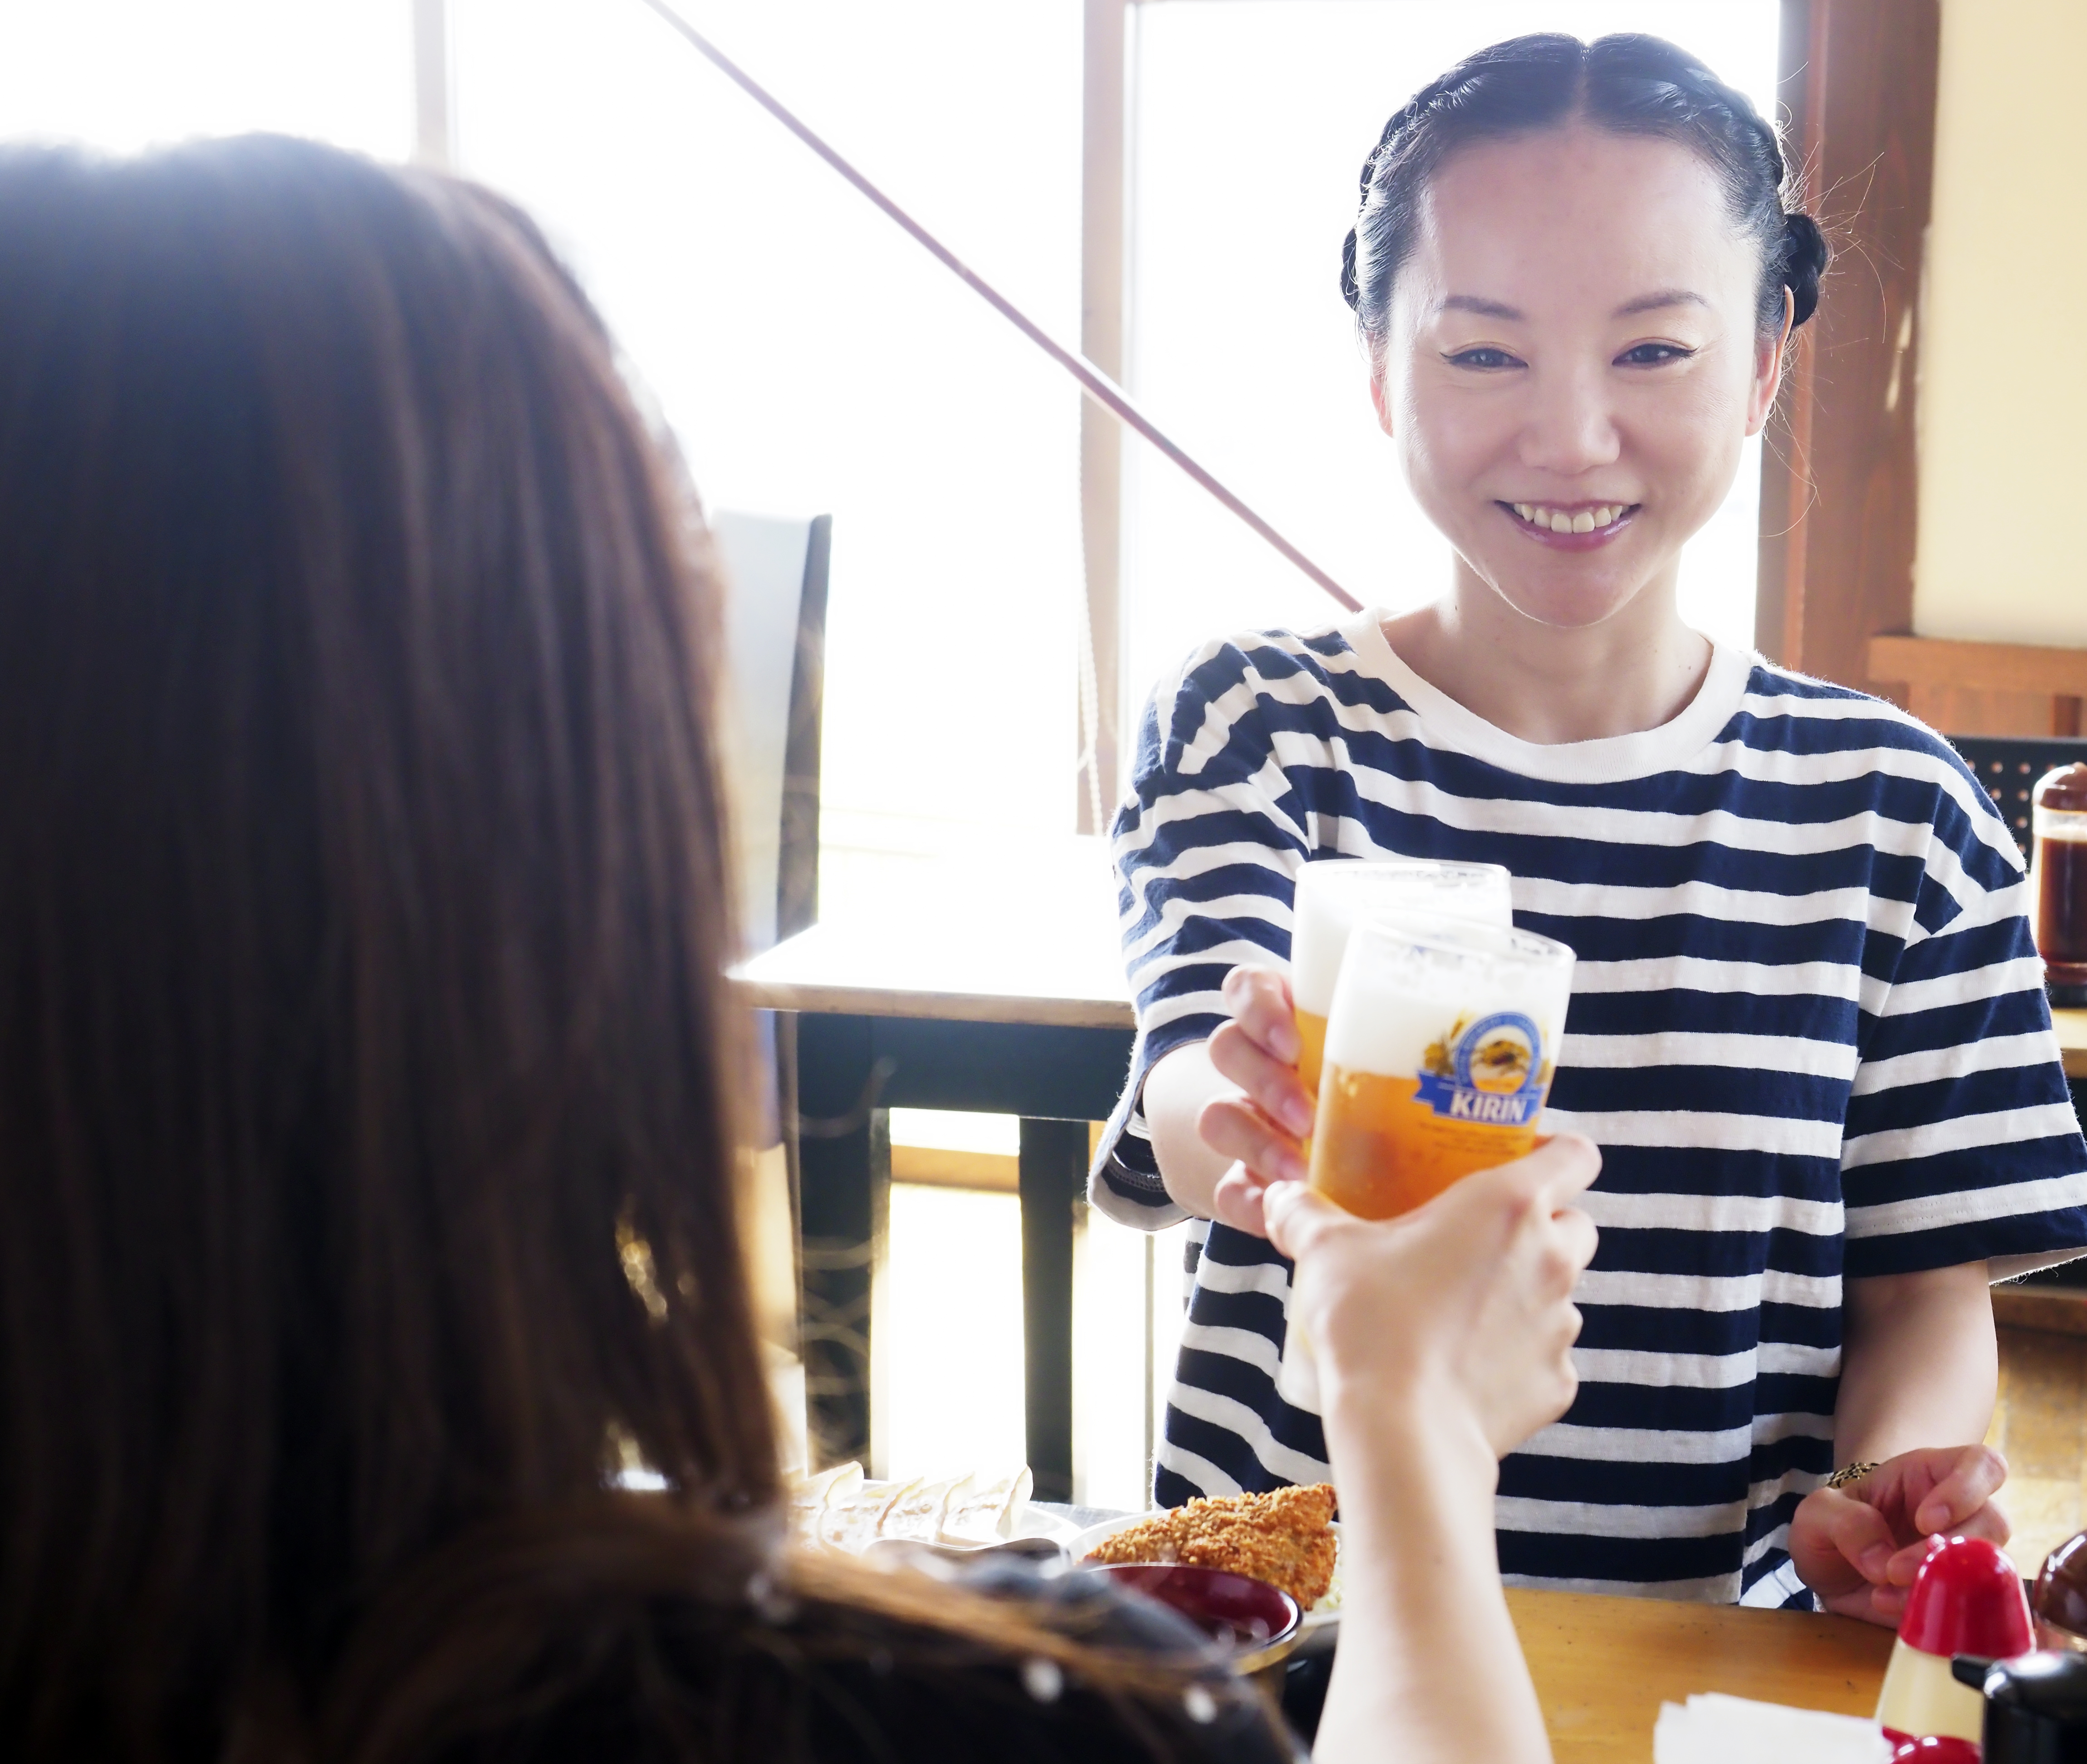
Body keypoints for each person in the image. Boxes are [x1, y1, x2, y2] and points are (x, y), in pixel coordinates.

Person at [0, 137, 1593, 1762]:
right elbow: (1192, 1068)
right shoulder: (978, 1719)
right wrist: (1415, 1438)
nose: (1573, 430)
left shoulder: (1870, 786)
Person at [1092, 32, 2087, 1622]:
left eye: (1653, 352)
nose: (1570, 438)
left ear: (1767, 359)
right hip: (1297, 1646)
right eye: (1485, 353)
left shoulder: (1899, 813)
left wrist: (1883, 1496)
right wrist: (1237, 1097)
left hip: (1716, 1665)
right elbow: (1182, 1081)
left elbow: (1926, 1284)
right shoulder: (1256, 722)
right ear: (1378, 369)